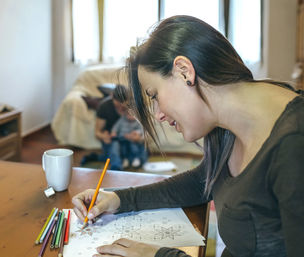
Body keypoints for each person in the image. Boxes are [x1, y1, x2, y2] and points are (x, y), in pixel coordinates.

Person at [72, 15, 304, 257]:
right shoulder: (227, 125)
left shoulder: (294, 145)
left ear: (184, 71)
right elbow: (203, 181)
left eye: (154, 95)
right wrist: (119, 199)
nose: (158, 115)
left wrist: (159, 255)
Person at [81, 84, 128, 170]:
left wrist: (137, 137)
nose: (121, 105)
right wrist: (104, 136)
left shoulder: (133, 105)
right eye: (118, 102)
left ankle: (98, 157)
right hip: (111, 139)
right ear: (112, 97)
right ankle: (116, 169)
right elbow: (97, 132)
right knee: (115, 147)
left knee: (131, 153)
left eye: (123, 102)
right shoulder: (104, 107)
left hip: (127, 138)